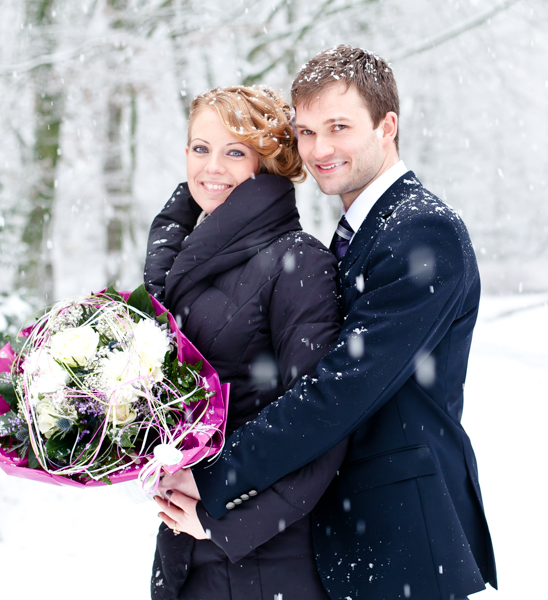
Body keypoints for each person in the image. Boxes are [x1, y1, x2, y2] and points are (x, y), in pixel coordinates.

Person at [161, 46, 497, 599]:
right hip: (342, 538)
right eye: (307, 131)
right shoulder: (358, 234)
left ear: (387, 126)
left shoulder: (422, 233)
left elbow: (337, 391)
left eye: (338, 127)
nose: (320, 149)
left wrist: (214, 475)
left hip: (402, 540)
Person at [143, 85, 346, 600]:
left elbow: (321, 425)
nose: (212, 167)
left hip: (263, 562)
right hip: (186, 547)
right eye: (200, 148)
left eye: (235, 152)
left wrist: (220, 524)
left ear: (269, 162)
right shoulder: (182, 257)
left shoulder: (299, 261)